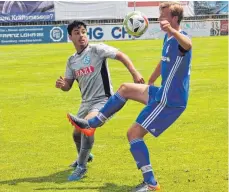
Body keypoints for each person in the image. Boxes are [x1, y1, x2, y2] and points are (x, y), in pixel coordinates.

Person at [67, 2, 192, 191]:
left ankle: (151, 184)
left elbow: (188, 45)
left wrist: (174, 32)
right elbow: (163, 61)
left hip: (169, 100)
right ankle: (92, 124)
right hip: (162, 91)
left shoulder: (179, 38)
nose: (160, 19)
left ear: (174, 19)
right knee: (125, 88)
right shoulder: (168, 39)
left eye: (163, 16)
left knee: (133, 134)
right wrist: (150, 82)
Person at [55, 20, 144, 181]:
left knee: (88, 127)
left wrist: (135, 73)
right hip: (86, 103)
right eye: (77, 33)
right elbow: (68, 85)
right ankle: (85, 156)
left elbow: (121, 55)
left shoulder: (96, 49)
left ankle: (81, 167)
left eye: (83, 32)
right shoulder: (71, 61)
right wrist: (62, 85)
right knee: (76, 134)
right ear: (70, 37)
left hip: (103, 100)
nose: (81, 35)